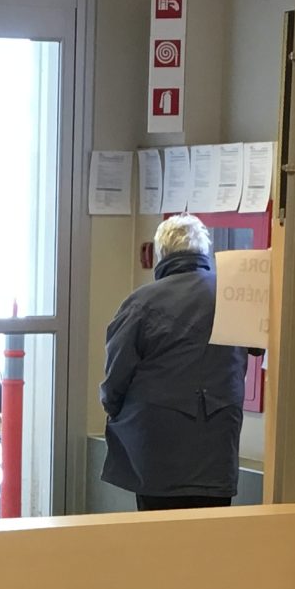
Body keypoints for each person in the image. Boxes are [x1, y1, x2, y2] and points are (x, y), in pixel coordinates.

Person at [100, 214, 246, 511]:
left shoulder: (142, 303)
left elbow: (116, 373)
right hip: (218, 449)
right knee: (210, 533)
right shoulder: (235, 298)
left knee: (158, 535)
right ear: (204, 252)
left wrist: (112, 406)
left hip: (156, 452)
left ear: (162, 254)